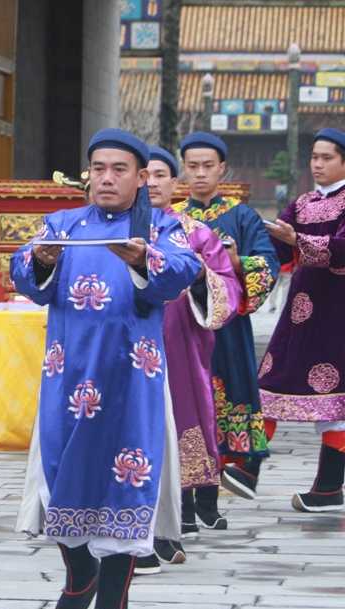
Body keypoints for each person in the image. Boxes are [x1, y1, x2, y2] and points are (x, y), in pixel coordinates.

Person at [12, 129, 201, 609]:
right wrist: (43, 261)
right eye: (98, 168)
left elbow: (183, 271)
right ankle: (79, 576)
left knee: (126, 482)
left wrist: (142, 259)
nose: (107, 178)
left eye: (120, 169)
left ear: (142, 178)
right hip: (67, 378)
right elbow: (24, 276)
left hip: (130, 381)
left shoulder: (161, 226)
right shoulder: (63, 224)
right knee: (58, 479)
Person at [134, 146, 241, 574]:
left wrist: (201, 277)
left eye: (163, 175)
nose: (155, 183)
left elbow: (228, 290)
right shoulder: (118, 229)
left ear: (174, 184)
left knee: (179, 425)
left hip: (180, 348)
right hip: (128, 351)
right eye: (148, 175)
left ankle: (173, 523)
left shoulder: (195, 233)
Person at [172, 132, 279, 508]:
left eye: (208, 166)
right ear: (182, 169)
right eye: (192, 166)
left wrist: (234, 263)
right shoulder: (171, 217)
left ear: (222, 169)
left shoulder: (242, 215)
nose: (200, 174)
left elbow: (267, 263)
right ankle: (188, 499)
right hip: (182, 326)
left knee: (227, 396)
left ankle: (215, 497)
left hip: (227, 328)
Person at [259, 128, 345, 512]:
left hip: (336, 312)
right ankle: (244, 467)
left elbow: (342, 249)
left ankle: (328, 487)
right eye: (314, 157)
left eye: (326, 157)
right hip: (299, 312)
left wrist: (300, 242)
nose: (318, 164)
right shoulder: (303, 202)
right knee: (269, 381)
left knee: (333, 399)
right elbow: (276, 243)